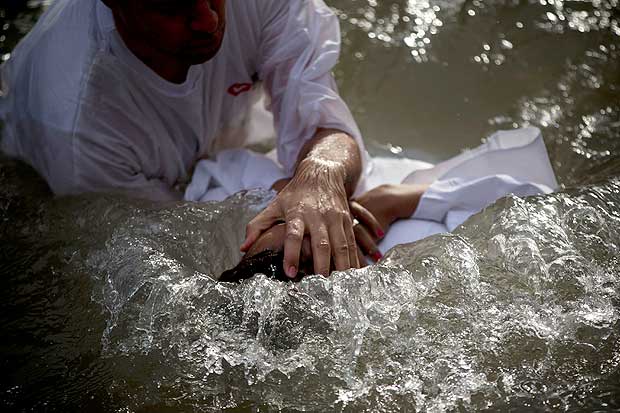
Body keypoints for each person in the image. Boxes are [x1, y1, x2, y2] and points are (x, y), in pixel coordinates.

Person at [0, 0, 373, 278]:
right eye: (172, 7)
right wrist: (282, 205)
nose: (207, 20)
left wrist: (320, 178)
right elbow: (174, 242)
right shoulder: (74, 121)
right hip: (58, 186)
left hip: (220, 142)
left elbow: (325, 126)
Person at [187, 126, 560, 281]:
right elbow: (538, 204)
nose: (307, 225)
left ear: (245, 248)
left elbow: (216, 169)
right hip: (427, 176)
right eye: (309, 257)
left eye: (287, 231)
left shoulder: (226, 208)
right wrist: (394, 200)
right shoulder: (407, 255)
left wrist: (283, 187)